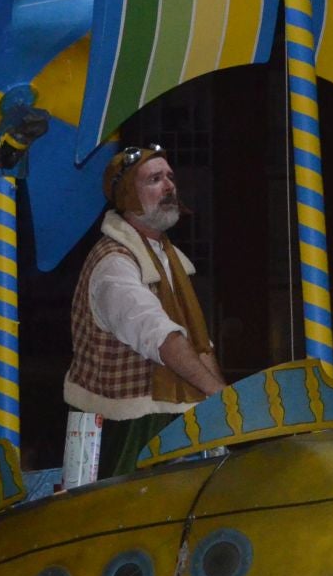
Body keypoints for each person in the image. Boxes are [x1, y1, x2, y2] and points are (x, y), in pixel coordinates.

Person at [62, 145, 224, 484]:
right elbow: (160, 336)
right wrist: (218, 395)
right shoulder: (113, 263)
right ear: (127, 195)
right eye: (154, 179)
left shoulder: (168, 258)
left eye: (170, 177)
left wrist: (223, 402)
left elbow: (199, 343)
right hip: (127, 432)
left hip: (170, 422)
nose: (169, 187)